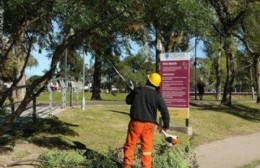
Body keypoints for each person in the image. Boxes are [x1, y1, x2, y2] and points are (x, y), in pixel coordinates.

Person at [123, 72, 170, 168]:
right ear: (157, 85)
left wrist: (133, 92)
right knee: (147, 149)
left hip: (136, 124)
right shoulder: (157, 96)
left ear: (148, 80)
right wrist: (166, 125)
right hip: (149, 126)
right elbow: (165, 111)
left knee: (130, 145)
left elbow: (128, 100)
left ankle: (127, 165)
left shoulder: (138, 90)